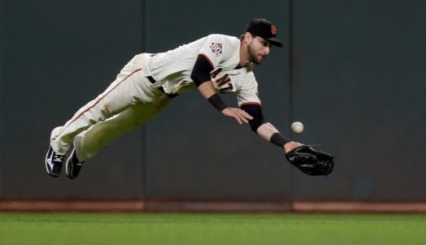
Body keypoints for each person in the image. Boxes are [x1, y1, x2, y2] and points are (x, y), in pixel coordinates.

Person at [45, 18, 302, 179]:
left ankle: (81, 150)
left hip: (164, 95)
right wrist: (223, 108)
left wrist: (286, 144)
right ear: (247, 37)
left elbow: (257, 120)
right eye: (263, 42)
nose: (267, 50)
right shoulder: (221, 43)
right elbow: (199, 72)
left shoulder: (247, 78)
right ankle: (58, 143)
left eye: (270, 46)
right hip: (143, 75)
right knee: (99, 110)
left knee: (118, 126)